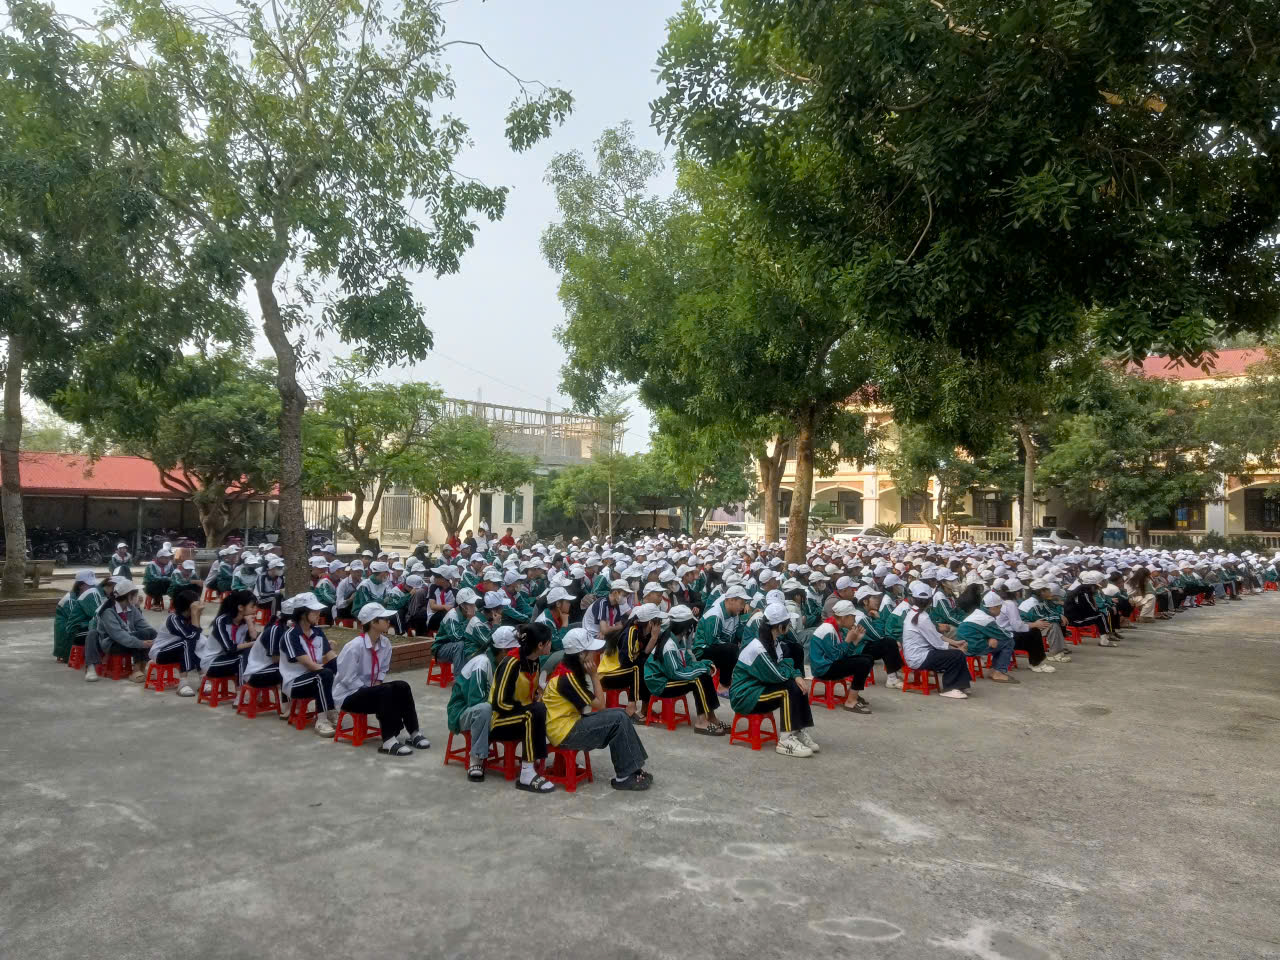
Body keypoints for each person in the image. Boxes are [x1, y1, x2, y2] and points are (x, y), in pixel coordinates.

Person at [543, 626, 655, 791]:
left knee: (620, 713)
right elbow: (601, 705)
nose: (595, 654)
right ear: (582, 655)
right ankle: (624, 776)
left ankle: (633, 769)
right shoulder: (567, 678)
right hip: (564, 733)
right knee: (618, 718)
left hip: (568, 725)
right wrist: (595, 675)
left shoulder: (568, 670)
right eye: (591, 651)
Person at [331, 602, 431, 756]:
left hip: (370, 692)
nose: (388, 621)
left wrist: (376, 688)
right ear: (373, 622)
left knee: (402, 686)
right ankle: (388, 741)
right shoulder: (354, 647)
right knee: (385, 691)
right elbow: (347, 678)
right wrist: (374, 691)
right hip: (349, 695)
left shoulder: (385, 643)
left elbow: (382, 670)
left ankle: (414, 732)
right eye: (384, 619)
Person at [730, 602, 818, 757]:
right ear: (779, 626)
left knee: (798, 686)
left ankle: (797, 730)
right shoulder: (758, 648)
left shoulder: (773, 641)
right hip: (744, 696)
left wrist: (797, 675)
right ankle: (785, 741)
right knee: (788, 689)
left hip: (758, 688)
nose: (790, 626)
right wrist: (794, 675)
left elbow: (784, 663)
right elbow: (777, 675)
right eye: (787, 623)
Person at [488, 621, 554, 792]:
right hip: (500, 721)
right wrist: (526, 708)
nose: (551, 644)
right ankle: (526, 774)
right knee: (533, 713)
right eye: (549, 642)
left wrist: (536, 697)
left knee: (541, 709)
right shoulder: (511, 663)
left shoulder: (534, 660)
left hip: (520, 717)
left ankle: (534, 763)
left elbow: (531, 692)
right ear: (540, 645)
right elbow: (499, 702)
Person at [642, 605, 728, 735]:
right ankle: (701, 721)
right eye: (691, 624)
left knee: (703, 676)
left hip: (668, 677)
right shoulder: (669, 645)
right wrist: (702, 669)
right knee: (698, 680)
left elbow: (687, 662)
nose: (692, 628)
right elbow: (676, 673)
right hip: (659, 683)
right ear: (685, 626)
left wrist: (704, 664)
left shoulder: (679, 639)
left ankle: (711, 717)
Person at [279, 593, 339, 737]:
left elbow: (330, 656)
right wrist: (332, 676)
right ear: (302, 613)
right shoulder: (291, 635)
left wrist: (342, 670)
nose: (319, 613)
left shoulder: (317, 632)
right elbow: (310, 665)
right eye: (314, 611)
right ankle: (322, 719)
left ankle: (331, 710)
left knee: (335, 667)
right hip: (295, 682)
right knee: (324, 675)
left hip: (315, 675)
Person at [901, 580, 971, 700]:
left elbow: (936, 635)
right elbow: (938, 644)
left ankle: (961, 685)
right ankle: (949, 688)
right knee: (956, 655)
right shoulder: (922, 617)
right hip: (919, 658)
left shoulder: (915, 613)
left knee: (957, 654)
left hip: (919, 654)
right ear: (930, 601)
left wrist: (955, 643)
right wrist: (956, 649)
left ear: (913, 599)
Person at [447, 624, 500, 782]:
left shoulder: (499, 663)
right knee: (484, 708)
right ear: (503, 651)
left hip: (479, 710)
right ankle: (476, 759)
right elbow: (475, 701)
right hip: (461, 713)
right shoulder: (482, 663)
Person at [597, 602, 662, 721]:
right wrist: (652, 640)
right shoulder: (631, 632)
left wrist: (654, 638)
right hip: (607, 675)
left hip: (622, 673)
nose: (660, 626)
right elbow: (627, 662)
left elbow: (644, 655)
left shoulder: (644, 634)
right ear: (651, 623)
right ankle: (631, 707)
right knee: (638, 668)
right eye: (658, 622)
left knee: (646, 666)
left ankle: (645, 708)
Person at [85, 578, 156, 682]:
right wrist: (141, 643)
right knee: (140, 636)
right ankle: (136, 670)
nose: (138, 597)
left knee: (149, 632)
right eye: (135, 595)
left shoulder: (132, 609)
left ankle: (142, 667)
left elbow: (144, 626)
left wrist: (155, 640)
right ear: (129, 596)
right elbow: (119, 635)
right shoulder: (108, 612)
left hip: (128, 640)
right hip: (112, 644)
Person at [809, 599, 875, 713]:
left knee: (868, 658)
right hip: (823, 669)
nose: (854, 620)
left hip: (829, 664)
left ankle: (852, 694)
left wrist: (855, 640)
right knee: (863, 663)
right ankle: (851, 701)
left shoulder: (835, 627)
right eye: (853, 617)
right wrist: (848, 640)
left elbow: (844, 655)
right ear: (844, 617)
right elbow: (836, 657)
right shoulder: (828, 630)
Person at [241, 595, 294, 718]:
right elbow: (275, 659)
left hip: (270, 668)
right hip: (257, 673)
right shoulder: (276, 629)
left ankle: (295, 705)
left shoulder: (289, 628)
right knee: (286, 670)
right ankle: (288, 707)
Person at [147, 587, 205, 696]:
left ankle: (203, 679)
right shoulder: (173, 619)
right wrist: (195, 614)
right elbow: (191, 636)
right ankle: (183, 683)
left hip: (177, 652)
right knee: (187, 642)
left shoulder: (189, 618)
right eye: (196, 604)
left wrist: (196, 615)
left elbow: (196, 636)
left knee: (198, 643)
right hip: (160, 653)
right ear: (189, 606)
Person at [197, 589, 260, 686]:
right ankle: (241, 690)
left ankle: (249, 688)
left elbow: (254, 639)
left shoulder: (245, 621)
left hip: (230, 659)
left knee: (251, 654)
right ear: (240, 607)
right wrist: (253, 644)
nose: (256, 609)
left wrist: (250, 624)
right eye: (252, 606)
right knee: (241, 658)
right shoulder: (222, 621)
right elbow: (230, 649)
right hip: (212, 662)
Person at [693, 584, 749, 689]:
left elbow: (738, 634)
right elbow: (712, 642)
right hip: (703, 650)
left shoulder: (734, 614)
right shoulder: (715, 615)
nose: (743, 607)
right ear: (731, 600)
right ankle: (724, 684)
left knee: (740, 649)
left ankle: (728, 680)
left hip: (718, 647)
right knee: (732, 649)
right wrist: (735, 649)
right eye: (741, 603)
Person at [956, 590, 1018, 684]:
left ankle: (994, 670)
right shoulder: (986, 619)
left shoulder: (978, 613)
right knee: (1009, 642)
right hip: (971, 646)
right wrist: (991, 639)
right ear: (993, 608)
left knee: (997, 641)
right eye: (999, 607)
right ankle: (998, 672)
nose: (1001, 610)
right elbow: (1004, 635)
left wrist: (990, 638)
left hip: (966, 643)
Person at [995, 578, 1054, 674]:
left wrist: (1031, 624)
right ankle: (1036, 663)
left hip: (1001, 633)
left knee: (1032, 631)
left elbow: (1016, 623)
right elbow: (1017, 627)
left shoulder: (1003, 601)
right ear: (1017, 593)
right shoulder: (1010, 605)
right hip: (1005, 636)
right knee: (1034, 633)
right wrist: (1035, 624)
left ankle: (1036, 661)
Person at [53, 570, 96, 662]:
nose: (93, 588)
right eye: (90, 585)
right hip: (66, 636)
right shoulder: (70, 600)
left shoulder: (84, 596)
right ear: (80, 586)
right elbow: (75, 621)